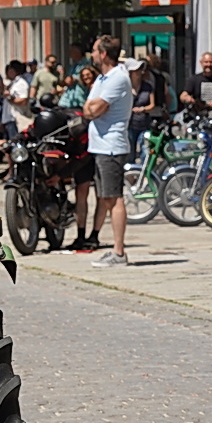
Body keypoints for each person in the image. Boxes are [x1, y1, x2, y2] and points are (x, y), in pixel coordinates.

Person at [80, 35, 135, 265]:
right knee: (104, 197)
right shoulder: (103, 79)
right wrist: (90, 110)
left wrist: (91, 110)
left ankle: (119, 251)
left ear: (103, 54)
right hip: (100, 146)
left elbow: (95, 109)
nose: (91, 54)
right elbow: (87, 108)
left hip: (111, 146)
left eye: (94, 50)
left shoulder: (117, 78)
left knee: (114, 198)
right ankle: (106, 243)